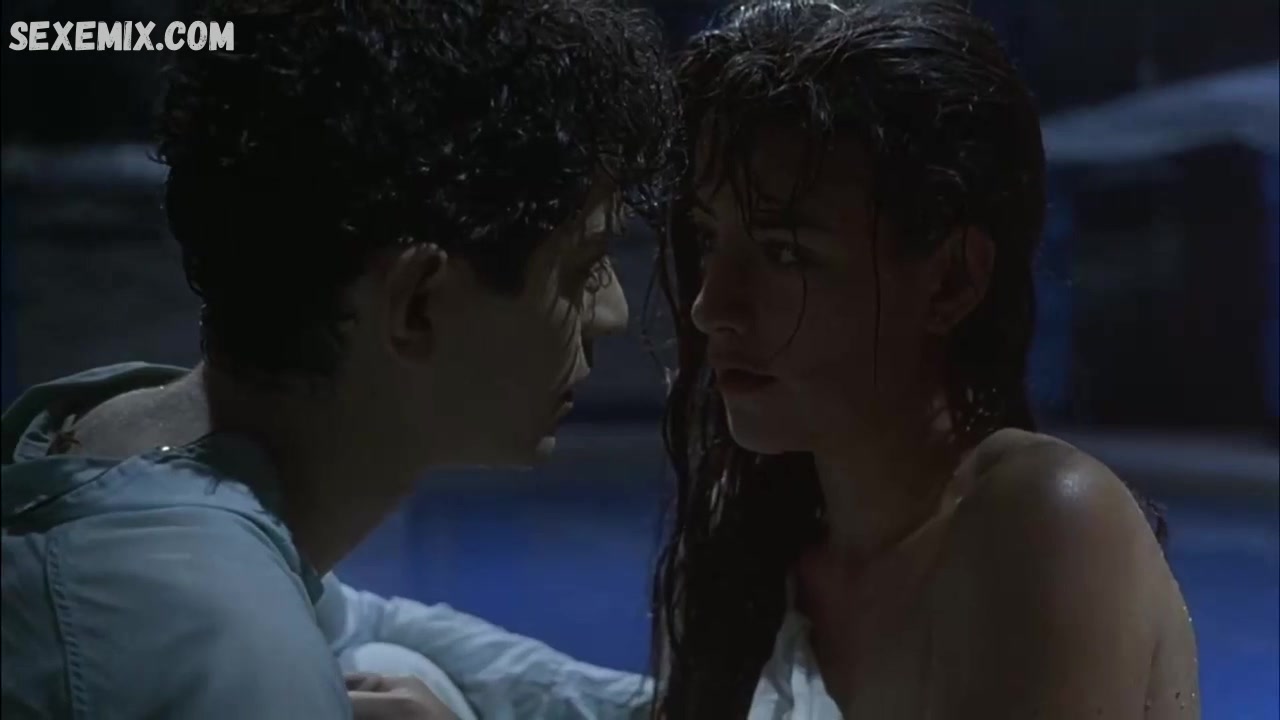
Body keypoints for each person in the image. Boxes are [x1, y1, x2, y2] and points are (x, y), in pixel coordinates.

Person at [0, 0, 677, 717]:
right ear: (417, 305)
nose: (612, 312)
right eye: (582, 269)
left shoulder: (116, 434)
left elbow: (356, 620)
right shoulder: (232, 661)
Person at [648, 1, 1202, 718]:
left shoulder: (1045, 522)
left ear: (951, 281)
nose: (711, 305)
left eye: (784, 253)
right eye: (708, 239)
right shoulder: (749, 553)